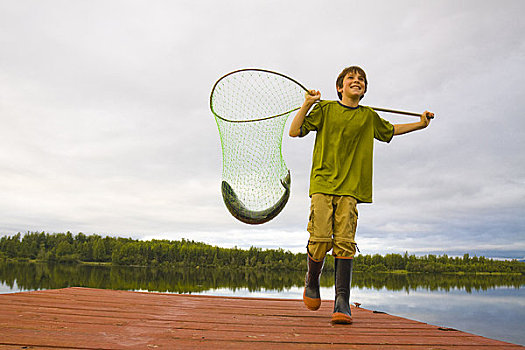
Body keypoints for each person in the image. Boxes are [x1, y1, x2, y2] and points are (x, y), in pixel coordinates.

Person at [288, 66, 434, 324]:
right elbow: (294, 130)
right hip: (323, 183)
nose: (357, 81)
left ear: (364, 89)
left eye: (361, 80)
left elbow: (391, 130)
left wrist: (421, 124)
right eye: (351, 79)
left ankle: (342, 301)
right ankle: (312, 279)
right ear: (339, 88)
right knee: (320, 236)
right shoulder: (325, 109)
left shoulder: (369, 116)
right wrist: (307, 104)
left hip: (352, 188)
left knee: (345, 241)